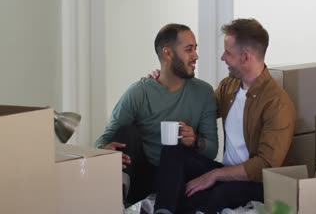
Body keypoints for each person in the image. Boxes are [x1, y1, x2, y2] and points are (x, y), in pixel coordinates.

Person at [153, 18, 296, 214]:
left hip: (254, 183)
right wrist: (162, 81)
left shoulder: (277, 103)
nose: (222, 57)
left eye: (228, 53)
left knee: (211, 197)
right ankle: (163, 211)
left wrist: (214, 175)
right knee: (173, 152)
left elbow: (265, 166)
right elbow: (201, 108)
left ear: (245, 57)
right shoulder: (229, 86)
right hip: (225, 172)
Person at [95, 23, 218, 205]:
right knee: (127, 132)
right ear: (167, 53)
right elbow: (104, 138)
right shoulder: (139, 92)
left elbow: (212, 149)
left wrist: (196, 141)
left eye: (195, 49)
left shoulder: (204, 92)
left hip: (181, 175)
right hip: (143, 176)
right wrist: (103, 152)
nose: (195, 56)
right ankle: (119, 198)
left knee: (176, 152)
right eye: (189, 49)